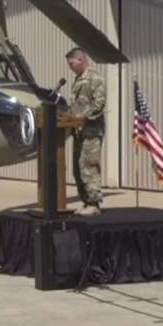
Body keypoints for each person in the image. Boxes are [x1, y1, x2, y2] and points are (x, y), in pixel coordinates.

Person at [66, 47, 105, 216]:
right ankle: (86, 201)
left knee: (89, 166)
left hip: (91, 131)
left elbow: (99, 104)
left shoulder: (95, 79)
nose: (70, 67)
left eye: (71, 63)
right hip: (78, 132)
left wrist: (81, 118)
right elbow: (75, 106)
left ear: (81, 60)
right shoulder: (78, 80)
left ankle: (94, 203)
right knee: (78, 168)